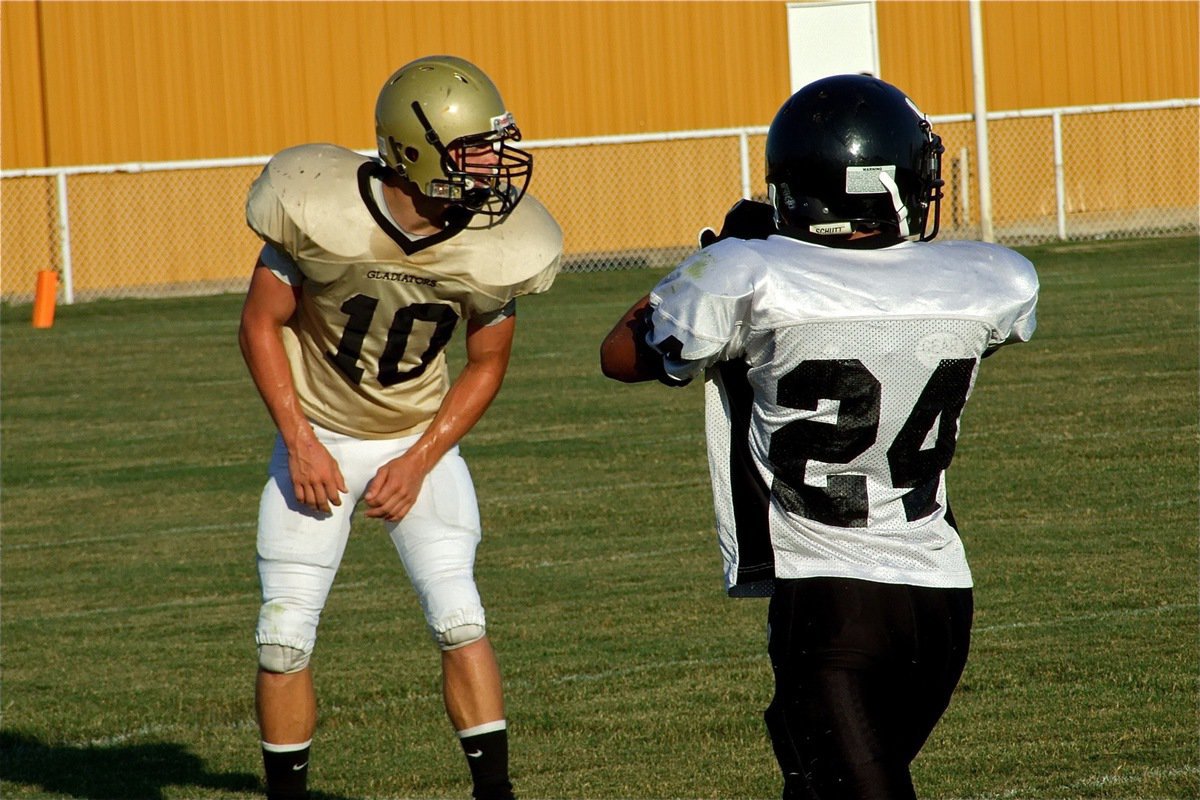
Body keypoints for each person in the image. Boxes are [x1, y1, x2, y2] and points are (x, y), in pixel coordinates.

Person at [600, 74, 1038, 799]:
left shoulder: (750, 276)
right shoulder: (985, 278)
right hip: (939, 600)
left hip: (830, 600)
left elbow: (620, 355)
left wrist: (718, 257)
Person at [239, 55, 562, 800]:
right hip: (318, 433)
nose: (494, 164)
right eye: (475, 149)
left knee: (459, 616)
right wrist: (298, 439)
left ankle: (496, 794)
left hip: (416, 439)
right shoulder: (319, 205)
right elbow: (261, 322)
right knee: (283, 636)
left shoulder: (498, 242)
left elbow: (486, 363)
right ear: (417, 151)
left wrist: (420, 458)